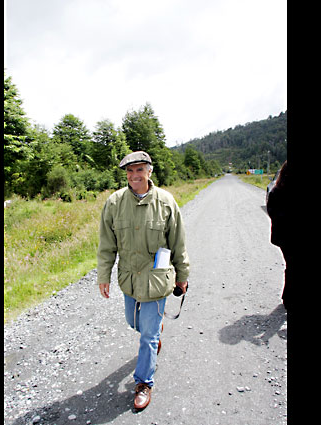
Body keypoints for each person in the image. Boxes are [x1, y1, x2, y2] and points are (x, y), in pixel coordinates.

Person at [97, 151, 190, 410]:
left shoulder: (166, 202)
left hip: (157, 279)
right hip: (129, 279)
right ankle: (154, 331)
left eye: (139, 169)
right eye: (130, 171)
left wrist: (182, 276)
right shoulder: (114, 203)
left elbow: (178, 243)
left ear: (150, 171)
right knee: (134, 323)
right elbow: (106, 244)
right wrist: (103, 275)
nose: (134, 175)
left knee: (147, 336)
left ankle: (143, 383)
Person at [266, 160, 292, 309]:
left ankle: (286, 296)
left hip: (282, 236)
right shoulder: (277, 191)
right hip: (285, 236)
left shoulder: (276, 191)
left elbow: (272, 212)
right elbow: (273, 213)